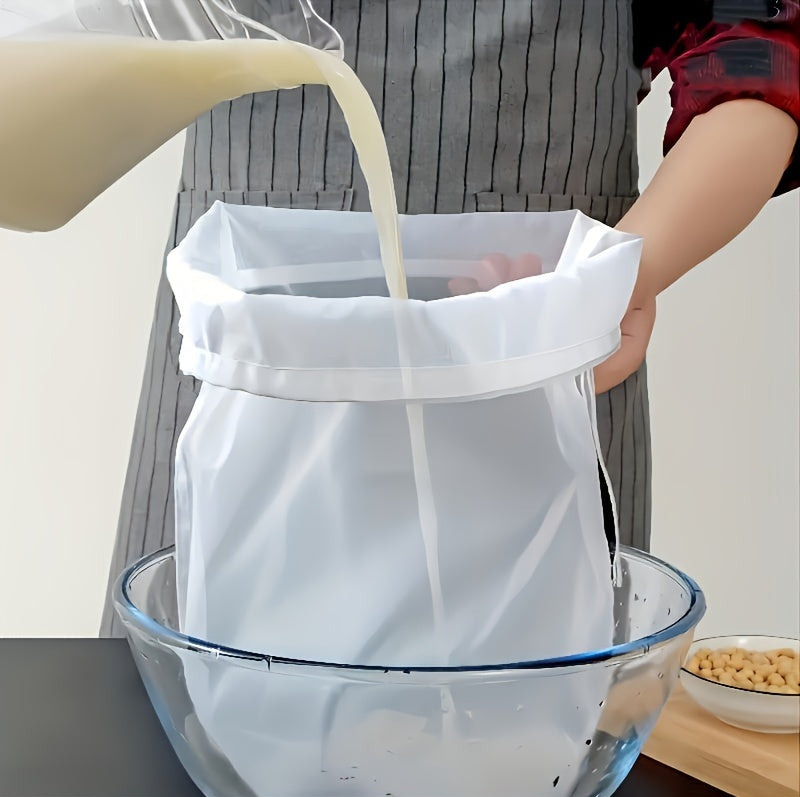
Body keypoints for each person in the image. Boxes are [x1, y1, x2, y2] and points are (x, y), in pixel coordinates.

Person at [100, 0, 799, 636]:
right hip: (237, 385)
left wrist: (622, 279)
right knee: (176, 710)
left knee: (534, 717)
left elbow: (759, 45)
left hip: (538, 382)